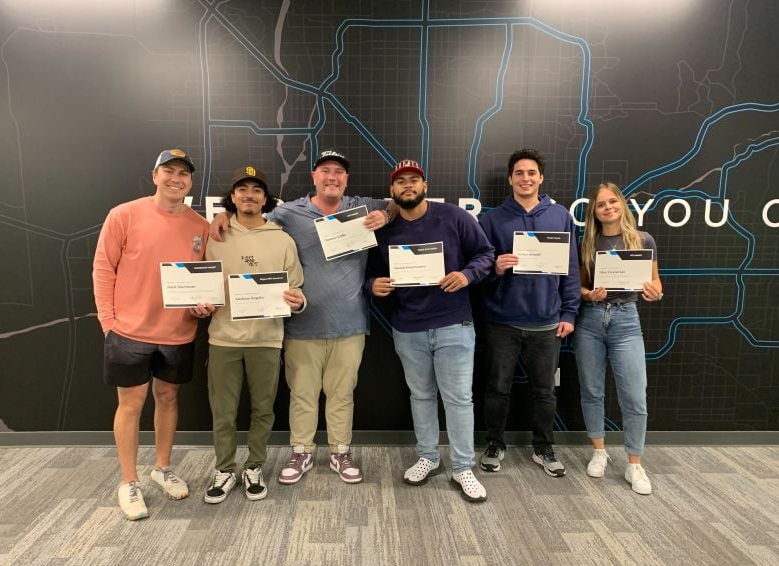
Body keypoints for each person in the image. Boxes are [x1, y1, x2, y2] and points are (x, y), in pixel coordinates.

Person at [209, 150, 392, 485]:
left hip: (350, 323)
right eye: (325, 171)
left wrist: (388, 215)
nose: (332, 177)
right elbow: (251, 220)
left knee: (342, 394)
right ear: (314, 176)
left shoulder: (363, 207)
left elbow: (399, 203)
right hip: (302, 325)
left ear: (346, 179)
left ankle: (340, 451)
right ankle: (302, 451)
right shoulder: (289, 213)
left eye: (339, 171)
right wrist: (221, 216)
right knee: (303, 394)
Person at [92, 149, 213, 520]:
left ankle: (162, 468)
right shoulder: (124, 214)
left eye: (184, 174)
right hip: (129, 332)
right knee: (130, 405)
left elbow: (202, 279)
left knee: (168, 399)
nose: (176, 178)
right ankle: (129, 481)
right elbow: (102, 268)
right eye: (169, 171)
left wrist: (201, 306)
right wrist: (109, 322)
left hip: (177, 332)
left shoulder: (200, 226)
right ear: (155, 175)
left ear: (191, 182)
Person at [367, 160, 494, 502]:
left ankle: (463, 467)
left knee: (457, 400)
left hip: (454, 323)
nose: (407, 186)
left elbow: (485, 254)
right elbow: (370, 273)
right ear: (392, 191)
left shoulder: (453, 216)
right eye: (400, 182)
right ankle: (428, 457)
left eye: (414, 180)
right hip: (408, 328)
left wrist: (467, 275)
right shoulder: (384, 230)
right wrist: (372, 284)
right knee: (421, 396)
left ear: (424, 185)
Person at [202, 165, 306, 504]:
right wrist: (198, 304)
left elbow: (297, 289)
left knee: (263, 409)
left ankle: (255, 467)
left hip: (266, 339)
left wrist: (298, 300)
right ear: (232, 197)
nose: (249, 195)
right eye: (242, 189)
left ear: (266, 199)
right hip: (223, 339)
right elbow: (199, 286)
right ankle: (224, 468)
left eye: (257, 190)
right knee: (224, 411)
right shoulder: (214, 236)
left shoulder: (282, 239)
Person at [478, 148, 580, 477]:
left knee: (544, 391)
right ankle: (495, 442)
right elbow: (479, 268)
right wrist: (495, 267)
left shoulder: (560, 215)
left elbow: (570, 269)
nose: (525, 178)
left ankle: (543, 446)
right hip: (502, 320)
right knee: (497, 388)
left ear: (541, 178)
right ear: (510, 179)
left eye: (531, 173)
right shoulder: (491, 219)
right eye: (519, 173)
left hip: (547, 321)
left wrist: (569, 313)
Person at [574, 182, 663, 495]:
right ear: (594, 212)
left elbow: (655, 282)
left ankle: (634, 464)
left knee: (635, 396)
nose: (608, 207)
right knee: (592, 390)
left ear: (622, 205)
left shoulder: (642, 239)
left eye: (613, 201)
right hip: (590, 322)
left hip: (626, 320)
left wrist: (655, 292)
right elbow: (581, 289)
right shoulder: (588, 242)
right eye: (601, 204)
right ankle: (599, 451)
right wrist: (590, 294)